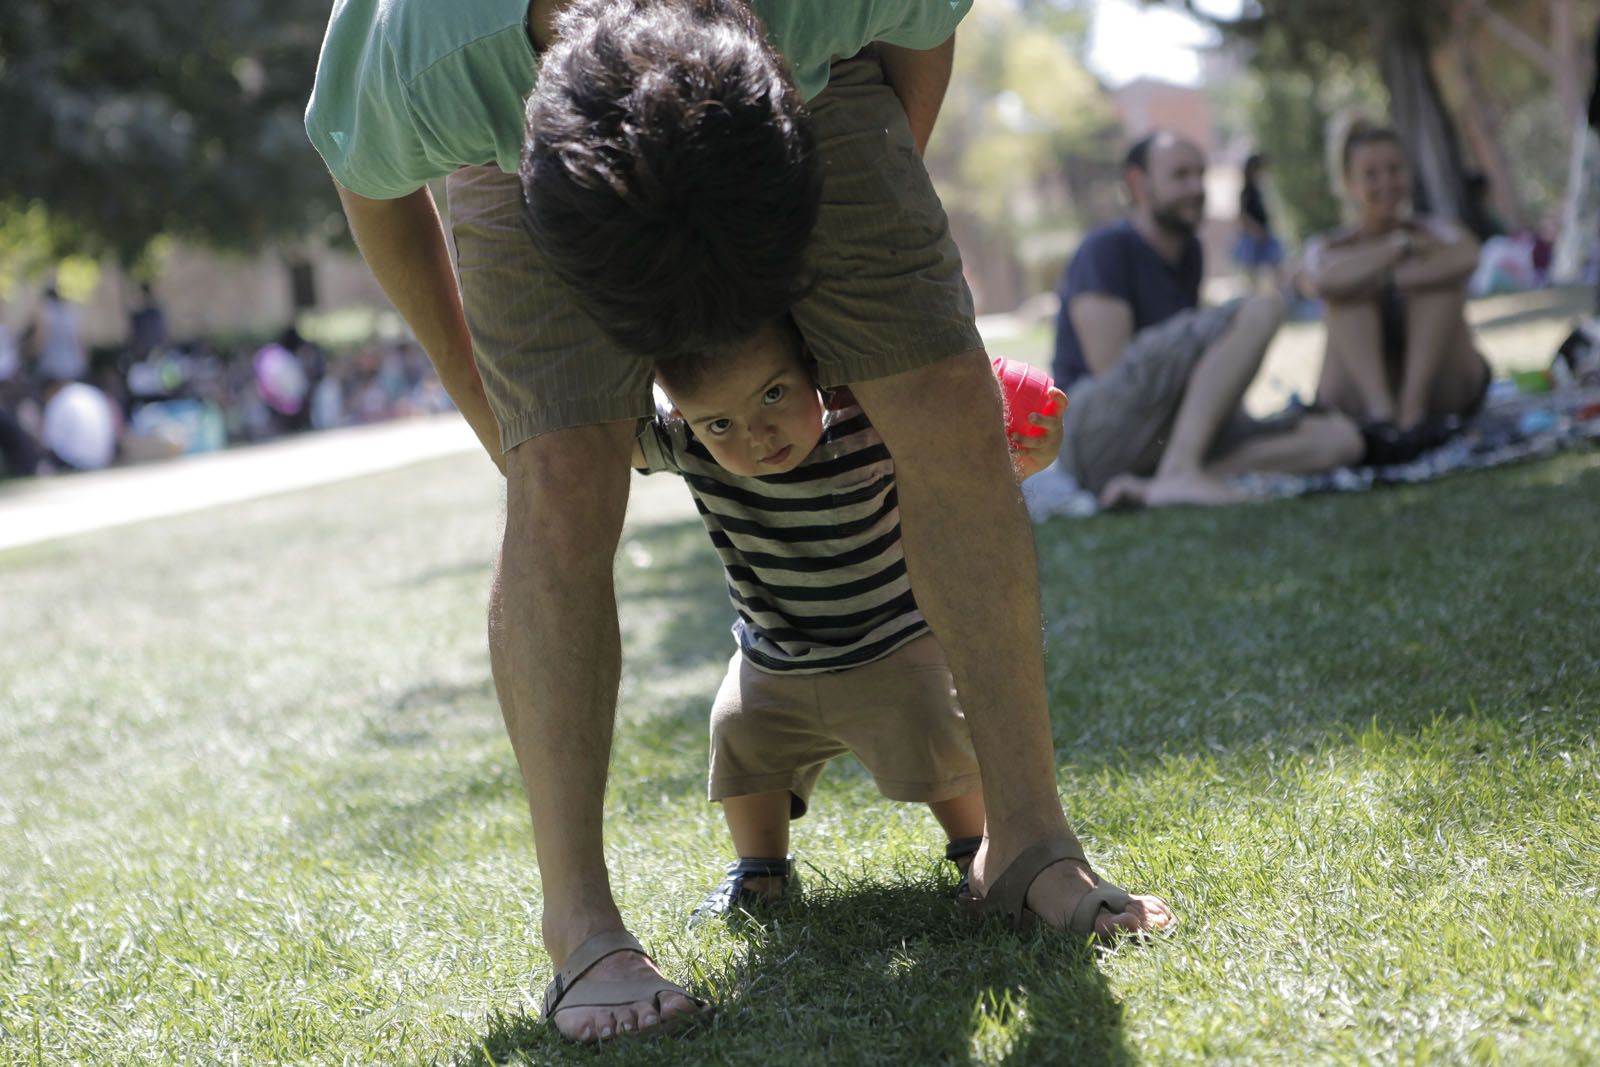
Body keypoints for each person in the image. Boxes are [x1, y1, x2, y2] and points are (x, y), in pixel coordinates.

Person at [307, 0, 1173, 1045]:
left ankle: (1028, 842)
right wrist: (501, 425)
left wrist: (862, 268)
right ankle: (582, 928)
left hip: (810, 85)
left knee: (940, 388)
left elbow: (923, 29)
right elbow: (366, 178)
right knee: (560, 477)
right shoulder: (425, 50)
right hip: (515, 142)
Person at [632, 320, 1067, 923]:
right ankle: (759, 869)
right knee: (739, 733)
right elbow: (599, 432)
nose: (757, 434)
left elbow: (959, 477)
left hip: (896, 643)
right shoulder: (686, 442)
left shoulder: (870, 418)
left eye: (774, 394)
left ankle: (977, 846)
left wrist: (1026, 455)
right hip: (774, 658)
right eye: (722, 424)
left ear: (814, 367)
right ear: (684, 417)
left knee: (934, 731)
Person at [1051, 131, 1363, 509]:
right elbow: (1111, 368)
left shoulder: (1190, 254)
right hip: (1091, 434)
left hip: (1157, 435)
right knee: (1262, 307)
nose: (1197, 188)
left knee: (1340, 441)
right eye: (1180, 175)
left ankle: (1160, 483)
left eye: (1201, 175)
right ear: (1138, 184)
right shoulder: (1105, 250)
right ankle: (1181, 469)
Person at [1301, 121, 1490, 436]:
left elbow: (1469, 254)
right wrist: (1396, 249)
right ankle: (1383, 415)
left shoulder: (1433, 231)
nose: (1386, 183)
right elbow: (1322, 279)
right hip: (1357, 394)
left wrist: (1396, 276)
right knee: (1349, 295)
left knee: (1436, 285)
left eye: (1394, 170)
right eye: (1371, 175)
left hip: (1441, 388)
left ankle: (1411, 414)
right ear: (1349, 184)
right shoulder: (1329, 247)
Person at [1233, 153, 1284, 290]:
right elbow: (1242, 215)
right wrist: (1254, 229)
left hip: (1264, 233)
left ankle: (1278, 292)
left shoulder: (1259, 190)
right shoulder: (1247, 192)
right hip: (1253, 237)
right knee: (1252, 272)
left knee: (1275, 264)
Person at [30, 286, 87, 387]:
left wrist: (29, 353)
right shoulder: (71, 314)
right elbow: (80, 342)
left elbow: (39, 342)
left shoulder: (45, 313)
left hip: (51, 367)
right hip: (72, 366)